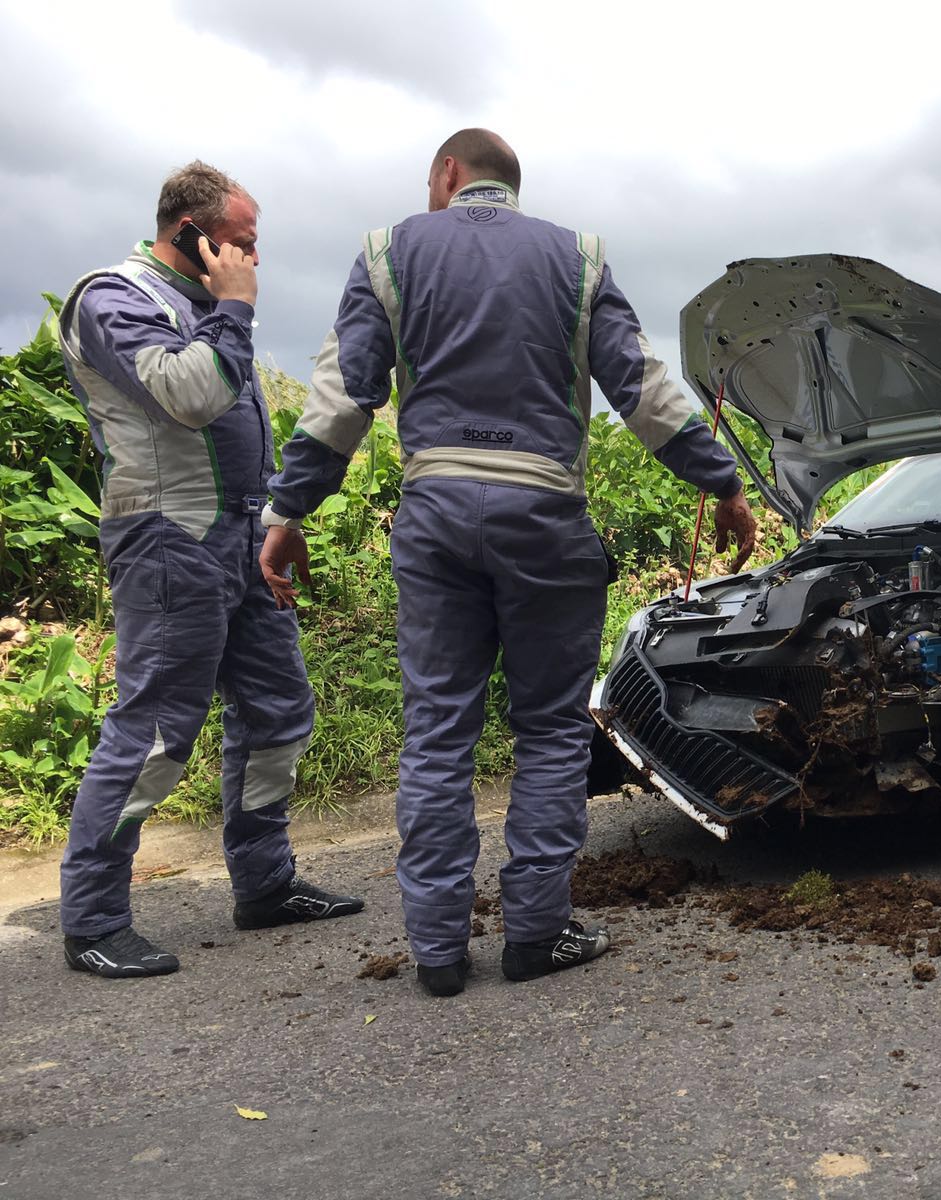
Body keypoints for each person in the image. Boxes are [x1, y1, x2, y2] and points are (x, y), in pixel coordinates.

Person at [261, 129, 757, 997]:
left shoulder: (389, 252)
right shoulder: (578, 258)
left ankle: (438, 952)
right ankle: (536, 935)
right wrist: (721, 483)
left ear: (447, 176)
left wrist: (287, 509)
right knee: (552, 733)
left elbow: (342, 399)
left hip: (437, 517)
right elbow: (640, 387)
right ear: (509, 186)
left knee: (439, 735)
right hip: (544, 521)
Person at [55, 161, 364, 979]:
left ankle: (264, 885)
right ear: (191, 232)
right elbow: (189, 394)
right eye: (243, 243)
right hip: (167, 540)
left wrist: (275, 523)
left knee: (278, 711)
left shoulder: (203, 309)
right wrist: (234, 308)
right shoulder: (113, 298)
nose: (253, 261)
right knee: (155, 731)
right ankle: (91, 919)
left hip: (239, 537)